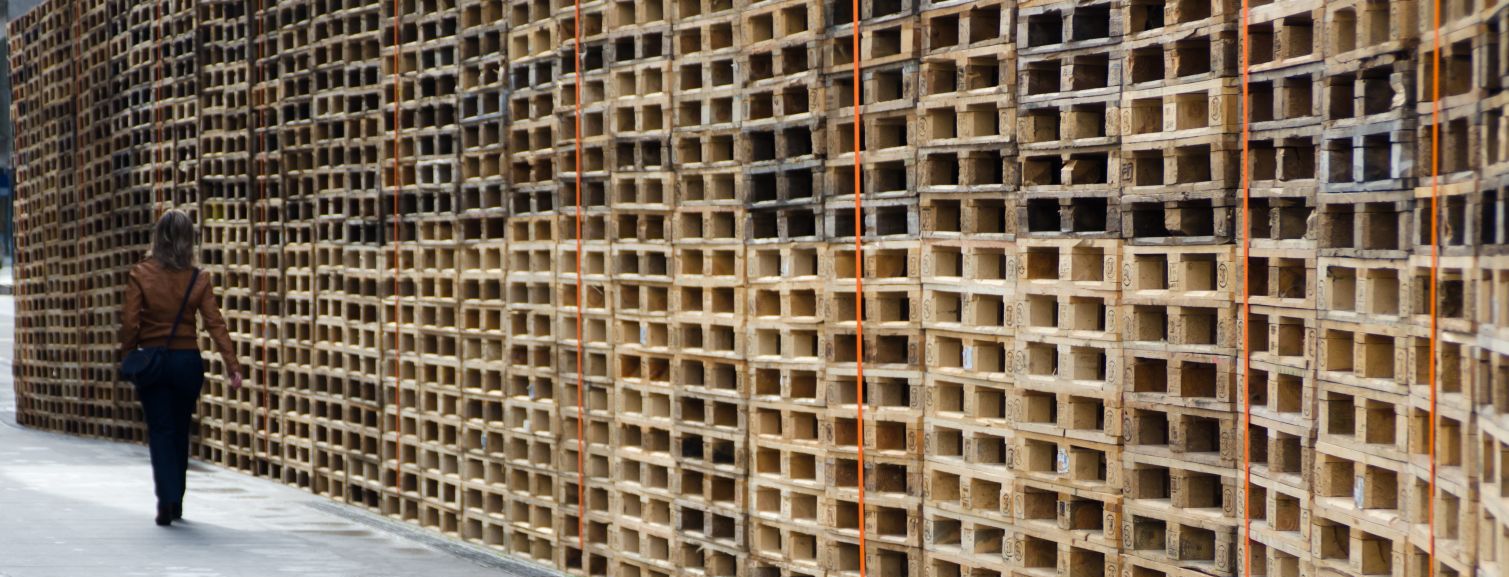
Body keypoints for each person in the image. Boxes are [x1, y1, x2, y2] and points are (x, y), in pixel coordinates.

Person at [119, 209, 243, 526]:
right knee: (180, 429)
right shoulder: (198, 278)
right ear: (190, 240)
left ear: (158, 237)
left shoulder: (140, 273)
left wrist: (130, 354)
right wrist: (232, 365)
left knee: (160, 430)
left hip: (154, 363)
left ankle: (166, 500)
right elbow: (215, 324)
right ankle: (178, 500)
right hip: (187, 362)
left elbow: (131, 323)